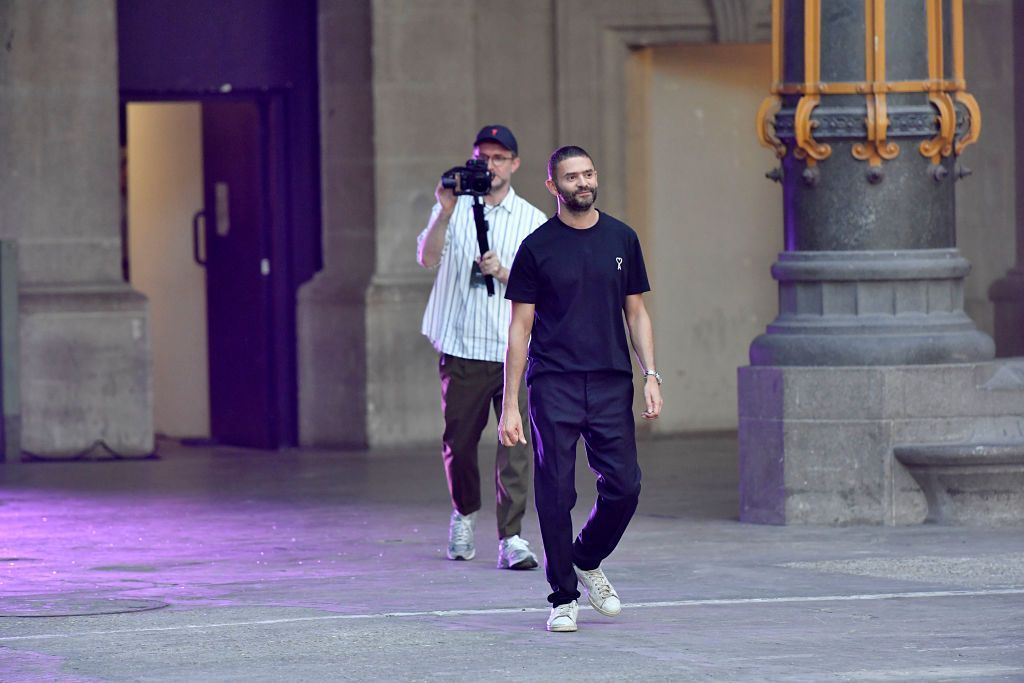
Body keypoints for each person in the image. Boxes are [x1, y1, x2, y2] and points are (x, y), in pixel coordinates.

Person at [499, 145, 663, 632]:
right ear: (553, 186)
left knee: (625, 486)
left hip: (612, 381)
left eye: (589, 173)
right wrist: (510, 404)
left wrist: (650, 374)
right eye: (572, 177)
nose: (583, 183)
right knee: (555, 491)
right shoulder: (537, 248)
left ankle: (586, 557)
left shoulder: (622, 238)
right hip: (554, 383)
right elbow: (519, 328)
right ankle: (563, 596)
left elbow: (636, 312)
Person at [417, 125, 547, 570]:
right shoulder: (455, 210)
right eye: (482, 157)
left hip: (512, 350)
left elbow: (546, 288)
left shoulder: (532, 220)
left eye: (498, 157)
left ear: (514, 163)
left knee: (515, 444)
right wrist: (443, 210)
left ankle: (511, 536)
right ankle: (464, 513)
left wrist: (505, 272)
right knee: (460, 440)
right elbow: (427, 258)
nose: (489, 165)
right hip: (462, 344)